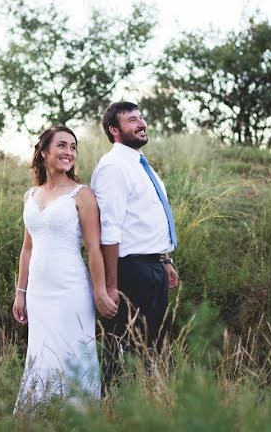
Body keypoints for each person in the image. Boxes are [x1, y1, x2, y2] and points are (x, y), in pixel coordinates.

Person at [12, 125, 118, 410]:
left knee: (72, 354)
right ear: (44, 152)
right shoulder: (30, 195)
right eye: (62, 145)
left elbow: (94, 249)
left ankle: (78, 418)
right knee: (41, 354)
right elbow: (27, 248)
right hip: (38, 293)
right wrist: (20, 292)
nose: (69, 152)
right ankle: (39, 417)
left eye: (73, 147)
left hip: (71, 289)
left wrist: (100, 291)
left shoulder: (82, 194)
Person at [90, 101, 180, 388]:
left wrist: (165, 261)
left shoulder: (141, 165)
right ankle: (111, 408)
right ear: (114, 130)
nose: (142, 124)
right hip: (130, 270)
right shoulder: (113, 167)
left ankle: (141, 408)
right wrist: (111, 285)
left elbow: (146, 220)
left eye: (141, 118)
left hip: (153, 267)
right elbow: (110, 229)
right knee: (122, 348)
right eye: (132, 120)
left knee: (148, 346)